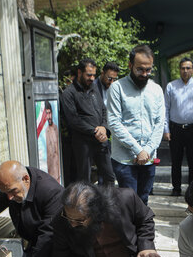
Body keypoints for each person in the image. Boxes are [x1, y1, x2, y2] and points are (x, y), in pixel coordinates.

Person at [107, 45, 164, 205]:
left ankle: (142, 230)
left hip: (149, 157)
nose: (144, 74)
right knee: (128, 203)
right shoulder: (117, 88)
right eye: (140, 70)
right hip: (125, 160)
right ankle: (128, 231)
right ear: (130, 65)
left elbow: (159, 123)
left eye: (148, 70)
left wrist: (147, 150)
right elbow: (114, 122)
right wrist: (138, 150)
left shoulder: (156, 90)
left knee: (143, 201)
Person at [61, 58, 115, 186]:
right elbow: (73, 120)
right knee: (84, 180)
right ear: (80, 72)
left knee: (109, 176)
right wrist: (95, 131)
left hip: (101, 139)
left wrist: (104, 128)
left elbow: (103, 110)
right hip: (83, 143)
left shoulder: (94, 88)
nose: (91, 78)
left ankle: (108, 205)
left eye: (93, 75)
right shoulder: (69, 93)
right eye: (88, 75)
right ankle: (86, 206)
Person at [163, 57, 193, 196]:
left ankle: (192, 190)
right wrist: (166, 129)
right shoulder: (171, 86)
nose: (185, 71)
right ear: (179, 70)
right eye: (183, 68)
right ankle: (176, 188)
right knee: (176, 160)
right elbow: (165, 108)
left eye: (188, 68)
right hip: (176, 129)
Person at [43, 101, 61, 183]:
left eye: (49, 113)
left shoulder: (55, 128)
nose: (48, 116)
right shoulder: (46, 130)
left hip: (58, 171)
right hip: (50, 172)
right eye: (46, 113)